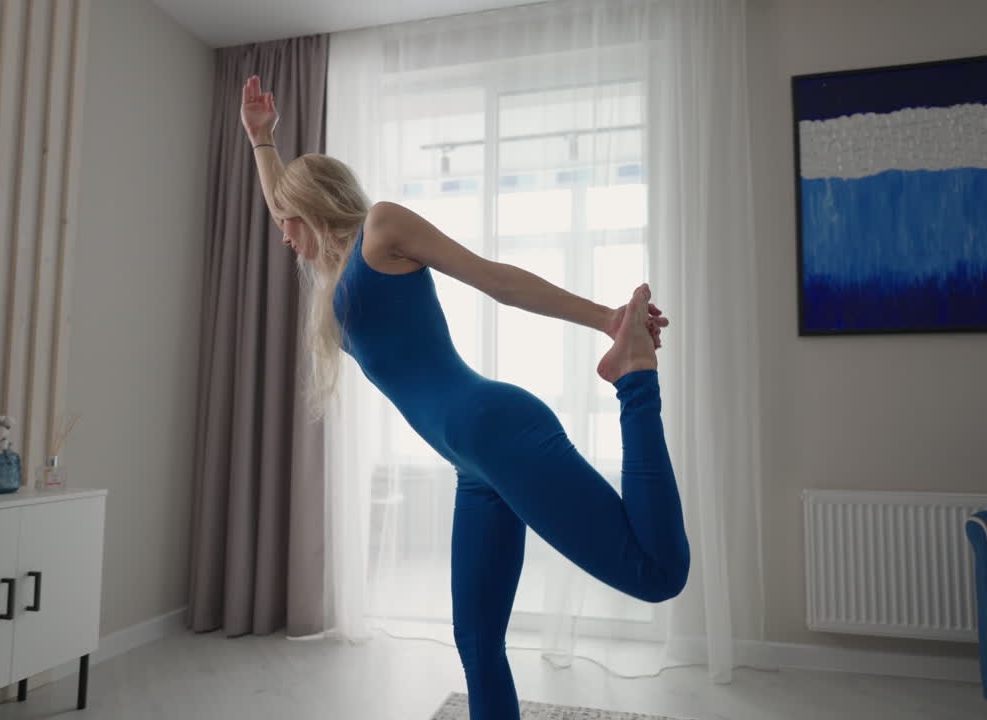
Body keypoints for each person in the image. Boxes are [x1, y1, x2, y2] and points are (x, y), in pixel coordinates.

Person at [241, 75, 690, 720]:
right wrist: (261, 140)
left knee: (657, 575)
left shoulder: (381, 229)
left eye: (288, 220)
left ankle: (635, 379)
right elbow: (280, 205)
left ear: (311, 207)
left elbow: (495, 280)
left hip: (496, 430)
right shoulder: (337, 276)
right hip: (474, 464)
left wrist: (607, 320)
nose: (282, 235)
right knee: (477, 638)